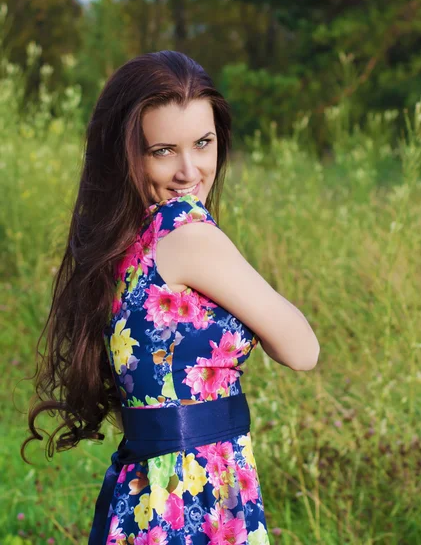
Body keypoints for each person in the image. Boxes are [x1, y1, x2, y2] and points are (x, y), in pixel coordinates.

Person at [21, 50, 320, 544]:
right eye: (163, 151)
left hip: (145, 489)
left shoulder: (121, 238)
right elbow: (303, 350)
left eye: (203, 143)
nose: (189, 171)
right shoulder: (189, 236)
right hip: (195, 492)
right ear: (126, 154)